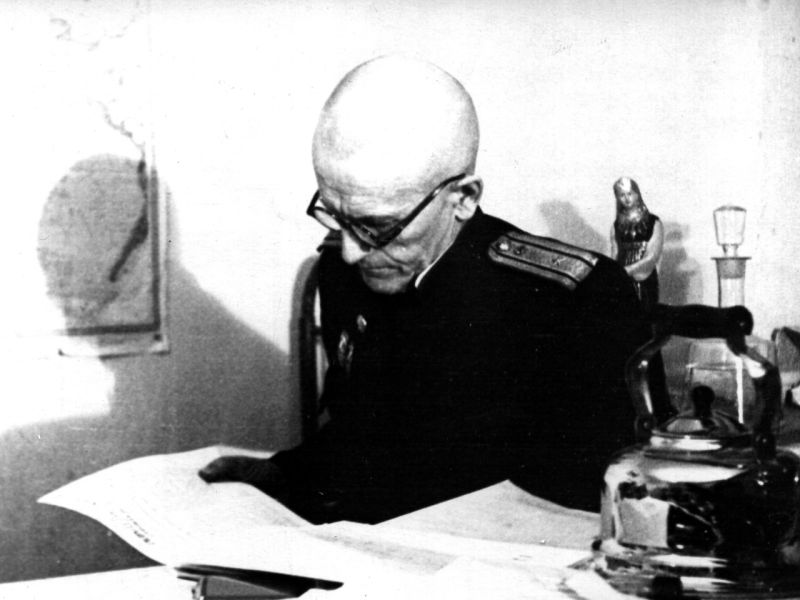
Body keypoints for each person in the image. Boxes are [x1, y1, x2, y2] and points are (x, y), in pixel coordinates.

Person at [200, 56, 649, 524]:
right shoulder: (342, 272)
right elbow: (362, 432)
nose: (350, 252)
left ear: (463, 199)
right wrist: (282, 473)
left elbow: (611, 495)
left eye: (378, 226)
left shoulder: (571, 298)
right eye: (334, 214)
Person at [609, 177, 664, 314]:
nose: (626, 199)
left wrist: (629, 270)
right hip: (622, 279)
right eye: (622, 195)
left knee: (645, 313)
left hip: (644, 275)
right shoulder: (616, 225)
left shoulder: (653, 222)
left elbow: (652, 256)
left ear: (637, 194)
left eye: (630, 194)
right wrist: (614, 273)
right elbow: (615, 253)